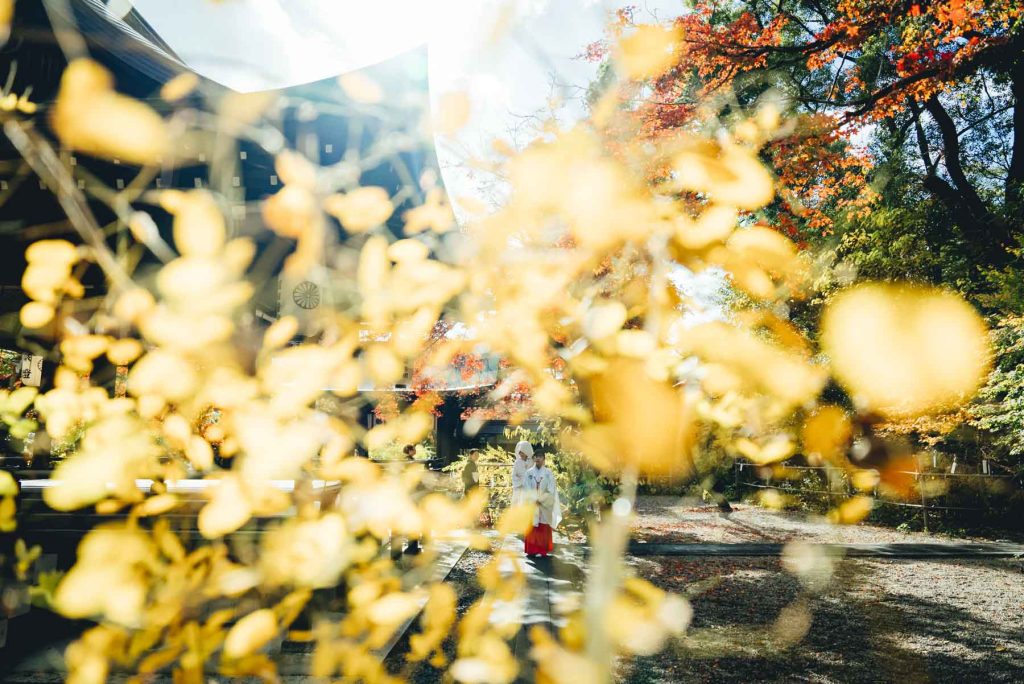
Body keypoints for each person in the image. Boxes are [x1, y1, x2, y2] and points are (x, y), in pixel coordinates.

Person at [523, 450, 561, 558]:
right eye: (536, 457)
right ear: (534, 458)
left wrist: (542, 499)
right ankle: (531, 550)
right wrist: (534, 499)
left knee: (543, 525)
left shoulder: (548, 473)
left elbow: (551, 488)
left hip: (544, 504)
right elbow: (526, 488)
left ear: (544, 459)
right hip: (532, 503)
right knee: (532, 524)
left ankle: (542, 550)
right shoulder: (528, 472)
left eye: (541, 457)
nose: (538, 459)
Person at [511, 440, 531, 506]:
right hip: (519, 487)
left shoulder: (532, 462)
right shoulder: (517, 462)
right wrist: (521, 482)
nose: (521, 454)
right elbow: (513, 475)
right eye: (520, 452)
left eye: (522, 452)